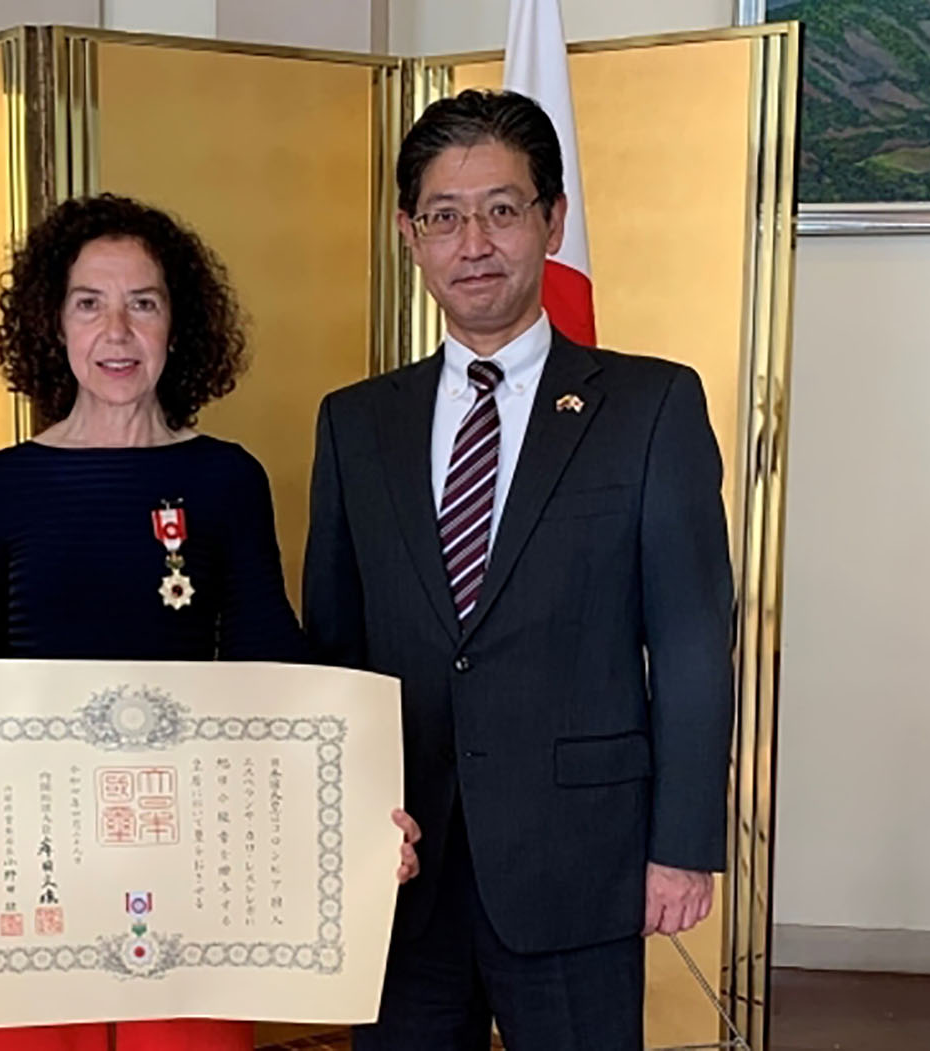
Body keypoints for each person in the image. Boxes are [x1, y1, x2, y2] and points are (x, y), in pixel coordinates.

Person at [0, 194, 421, 1051]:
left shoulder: (226, 478)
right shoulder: (3, 483)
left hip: (190, 861)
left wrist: (363, 803)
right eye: (89, 303)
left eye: (142, 302)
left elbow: (272, 662)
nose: (117, 329)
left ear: (177, 325)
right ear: (55, 324)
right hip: (36, 856)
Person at [302, 89, 735, 1050]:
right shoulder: (355, 422)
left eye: (502, 210)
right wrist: (325, 826)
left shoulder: (649, 405)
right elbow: (332, 641)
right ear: (410, 235)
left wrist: (683, 846)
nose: (475, 243)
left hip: (579, 861)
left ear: (552, 220)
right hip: (401, 863)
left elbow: (696, 637)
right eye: (445, 217)